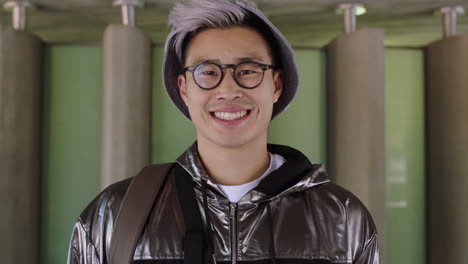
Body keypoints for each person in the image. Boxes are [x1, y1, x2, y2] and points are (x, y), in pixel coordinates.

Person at [67, 0, 379, 263]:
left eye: (248, 71)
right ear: (184, 89)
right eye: (207, 72)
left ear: (277, 86)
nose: (228, 89)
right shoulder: (115, 213)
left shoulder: (341, 216)